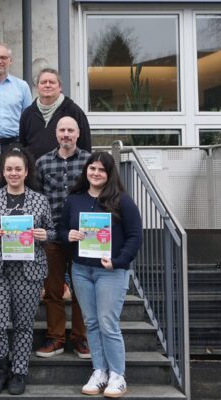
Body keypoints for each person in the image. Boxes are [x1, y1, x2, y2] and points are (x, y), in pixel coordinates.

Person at [59, 152, 142, 398]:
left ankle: (118, 375)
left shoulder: (122, 201)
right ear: (86, 170)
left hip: (111, 272)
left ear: (109, 174)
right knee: (91, 322)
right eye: (92, 168)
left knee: (108, 322)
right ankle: (100, 371)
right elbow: (62, 228)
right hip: (81, 269)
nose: (95, 173)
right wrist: (68, 236)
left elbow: (135, 236)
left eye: (101, 170)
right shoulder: (74, 200)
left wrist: (118, 261)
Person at [0, 148, 55, 395]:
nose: (13, 173)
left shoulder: (40, 200)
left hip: (29, 270)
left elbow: (52, 232)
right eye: (9, 169)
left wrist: (45, 235)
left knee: (23, 325)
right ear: (3, 172)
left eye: (18, 169)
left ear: (26, 172)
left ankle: (19, 372)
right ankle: (0, 369)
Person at [34, 116, 91, 359]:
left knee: (82, 292)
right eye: (62, 130)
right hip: (53, 236)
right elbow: (36, 197)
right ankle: (55, 338)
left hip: (83, 237)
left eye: (70, 130)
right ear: (55, 134)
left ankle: (81, 339)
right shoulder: (43, 163)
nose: (66, 134)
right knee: (53, 291)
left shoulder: (90, 161)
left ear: (78, 134)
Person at [19, 68, 91, 159]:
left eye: (52, 82)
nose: (47, 85)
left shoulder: (74, 112)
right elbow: (23, 146)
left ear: (60, 87)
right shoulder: (27, 114)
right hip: (34, 171)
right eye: (43, 82)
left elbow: (85, 145)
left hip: (67, 170)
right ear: (37, 87)